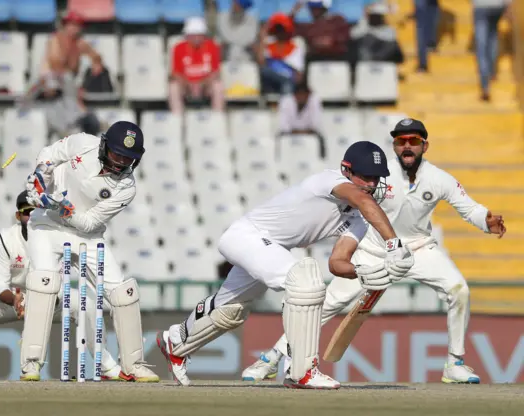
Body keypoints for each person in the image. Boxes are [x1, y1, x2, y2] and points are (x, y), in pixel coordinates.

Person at [242, 118, 507, 384]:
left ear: (424, 146)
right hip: (373, 250)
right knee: (325, 305)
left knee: (459, 289)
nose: (406, 146)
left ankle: (455, 363)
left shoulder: (439, 179)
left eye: (413, 141)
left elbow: (469, 208)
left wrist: (486, 221)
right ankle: (271, 359)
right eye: (400, 141)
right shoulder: (379, 174)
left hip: (418, 248)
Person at [156, 141, 415, 389]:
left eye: (376, 178)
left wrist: (364, 272)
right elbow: (365, 201)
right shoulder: (331, 181)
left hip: (270, 248)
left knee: (231, 310)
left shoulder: (358, 218)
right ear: (346, 171)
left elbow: (337, 263)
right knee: (305, 283)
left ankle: (176, 342)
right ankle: (301, 370)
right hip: (247, 235)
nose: (371, 184)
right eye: (365, 177)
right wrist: (393, 244)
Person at [20, 122, 159, 383]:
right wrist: (41, 176)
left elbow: (90, 223)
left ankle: (134, 364)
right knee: (44, 283)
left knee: (123, 293)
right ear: (105, 146)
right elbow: (50, 153)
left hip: (87, 236)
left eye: (128, 158)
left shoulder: (126, 187)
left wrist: (59, 206)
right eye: (117, 154)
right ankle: (31, 363)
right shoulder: (84, 143)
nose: (120, 162)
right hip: (46, 227)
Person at [0, 192, 123, 381]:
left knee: (87, 306)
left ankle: (104, 364)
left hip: (48, 297)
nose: (32, 216)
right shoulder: (5, 238)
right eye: (27, 212)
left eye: (37, 211)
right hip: (9, 298)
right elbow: (0, 285)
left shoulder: (58, 238)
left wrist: (35, 302)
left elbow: (58, 284)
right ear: (18, 216)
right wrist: (15, 300)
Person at [169, 17, 225, 113]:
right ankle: (178, 118)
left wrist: (202, 84)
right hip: (186, 85)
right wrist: (188, 84)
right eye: (192, 35)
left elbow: (216, 72)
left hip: (206, 86)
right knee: (173, 87)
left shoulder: (213, 46)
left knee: (218, 86)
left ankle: (217, 117)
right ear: (187, 35)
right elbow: (176, 73)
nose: (196, 38)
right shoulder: (179, 48)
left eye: (199, 35)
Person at [472, 0, 512, 101]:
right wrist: (508, 4)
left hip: (481, 5)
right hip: (497, 5)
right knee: (493, 36)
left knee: (482, 45)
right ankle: (491, 70)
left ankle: (485, 85)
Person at [256, 13, 305, 95]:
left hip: (289, 81)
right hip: (270, 80)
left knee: (287, 85)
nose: (280, 32)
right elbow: (261, 63)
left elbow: (299, 74)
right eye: (277, 29)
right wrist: (262, 39)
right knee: (264, 71)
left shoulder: (296, 47)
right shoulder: (268, 44)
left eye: (282, 29)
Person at [277, 82, 326, 158]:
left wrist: (301, 132)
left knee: (320, 139)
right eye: (299, 95)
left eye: (304, 95)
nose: (302, 97)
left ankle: (320, 162)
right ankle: (279, 162)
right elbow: (284, 126)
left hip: (309, 134)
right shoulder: (286, 101)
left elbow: (316, 125)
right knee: (278, 138)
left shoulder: (314, 101)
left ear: (308, 95)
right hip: (290, 134)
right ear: (294, 95)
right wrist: (300, 132)